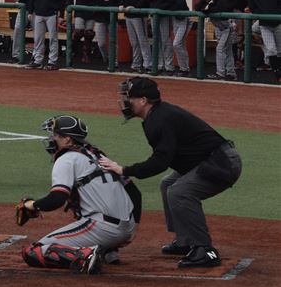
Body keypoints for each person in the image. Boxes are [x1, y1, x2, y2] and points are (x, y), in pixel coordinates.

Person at [99, 77, 242, 268]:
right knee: (167, 184)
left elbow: (161, 161)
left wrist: (125, 170)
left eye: (129, 98)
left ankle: (205, 249)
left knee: (179, 192)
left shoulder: (160, 119)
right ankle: (185, 241)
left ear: (143, 100)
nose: (126, 102)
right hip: (208, 160)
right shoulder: (157, 115)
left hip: (221, 163)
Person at [18, 115, 141, 271]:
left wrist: (32, 205)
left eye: (55, 135)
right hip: (126, 227)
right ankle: (109, 250)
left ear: (67, 140)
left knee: (34, 252)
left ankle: (86, 256)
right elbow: (135, 193)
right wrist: (133, 229)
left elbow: (57, 198)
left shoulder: (66, 159)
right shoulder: (98, 155)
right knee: (85, 205)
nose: (51, 139)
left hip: (104, 228)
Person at [198, 0, 238, 81]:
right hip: (221, 27)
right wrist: (205, 6)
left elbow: (220, 8)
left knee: (220, 49)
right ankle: (231, 73)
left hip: (227, 26)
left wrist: (207, 9)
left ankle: (220, 73)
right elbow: (197, 7)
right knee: (227, 50)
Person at [27, 0, 66, 70]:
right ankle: (37, 61)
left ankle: (52, 62)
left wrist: (61, 15)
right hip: (39, 14)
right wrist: (30, 11)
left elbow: (62, 0)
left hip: (52, 14)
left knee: (53, 38)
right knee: (38, 38)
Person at [248, 0, 281, 83]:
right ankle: (278, 75)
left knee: (280, 51)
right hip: (264, 25)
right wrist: (261, 14)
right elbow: (252, 8)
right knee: (271, 49)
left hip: (278, 23)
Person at [157, 0, 191, 77]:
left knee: (176, 44)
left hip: (184, 20)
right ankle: (184, 69)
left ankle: (185, 68)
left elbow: (179, 6)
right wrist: (169, 5)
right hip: (176, 20)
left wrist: (168, 5)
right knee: (180, 44)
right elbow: (160, 4)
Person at [120, 0, 152, 73]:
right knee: (134, 42)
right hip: (128, 14)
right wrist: (122, 4)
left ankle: (148, 65)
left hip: (139, 14)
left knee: (142, 40)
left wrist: (136, 6)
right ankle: (136, 64)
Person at [90, 0, 121, 67]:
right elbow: (89, 1)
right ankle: (106, 58)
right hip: (99, 18)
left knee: (113, 41)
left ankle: (114, 61)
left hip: (111, 18)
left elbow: (119, 1)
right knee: (101, 43)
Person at [66, 0, 97, 64]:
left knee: (89, 33)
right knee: (79, 32)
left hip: (91, 14)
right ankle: (73, 49)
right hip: (80, 13)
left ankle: (86, 54)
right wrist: (69, 8)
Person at [11, 0, 36, 64]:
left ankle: (36, 57)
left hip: (36, 9)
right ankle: (16, 55)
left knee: (38, 32)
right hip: (23, 7)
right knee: (18, 29)